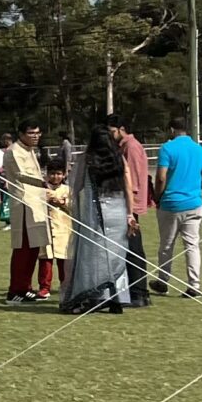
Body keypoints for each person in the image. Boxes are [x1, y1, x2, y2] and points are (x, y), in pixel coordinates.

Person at [61, 120, 135, 316]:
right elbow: (128, 187)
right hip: (118, 212)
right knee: (116, 255)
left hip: (96, 213)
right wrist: (130, 214)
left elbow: (77, 186)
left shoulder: (87, 159)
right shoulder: (119, 158)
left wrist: (74, 207)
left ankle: (94, 296)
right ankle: (116, 297)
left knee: (94, 255)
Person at [152, 118, 202, 299]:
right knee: (192, 245)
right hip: (194, 203)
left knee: (166, 245)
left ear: (172, 130)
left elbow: (161, 178)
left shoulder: (167, 148)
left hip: (171, 203)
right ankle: (194, 284)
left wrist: (157, 197)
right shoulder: (200, 150)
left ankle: (163, 280)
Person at [3, 122, 52, 304]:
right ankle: (15, 290)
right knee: (22, 250)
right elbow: (21, 175)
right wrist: (44, 183)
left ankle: (25, 288)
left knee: (34, 249)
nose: (35, 136)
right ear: (21, 134)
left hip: (36, 204)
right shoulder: (13, 151)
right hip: (23, 204)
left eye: (38, 133)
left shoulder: (31, 150)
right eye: (31, 133)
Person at [112, 115, 155, 306]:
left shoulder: (131, 147)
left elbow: (134, 181)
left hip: (130, 206)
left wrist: (129, 208)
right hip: (128, 204)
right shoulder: (125, 146)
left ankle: (139, 292)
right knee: (130, 247)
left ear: (121, 129)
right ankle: (137, 291)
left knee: (133, 249)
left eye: (112, 131)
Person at [43, 162, 74, 290]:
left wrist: (62, 202)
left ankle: (65, 286)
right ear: (47, 174)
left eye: (58, 174)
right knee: (45, 259)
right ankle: (45, 288)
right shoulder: (42, 190)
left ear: (64, 175)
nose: (55, 177)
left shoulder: (68, 190)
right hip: (46, 228)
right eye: (52, 174)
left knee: (64, 260)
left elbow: (74, 207)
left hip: (64, 229)